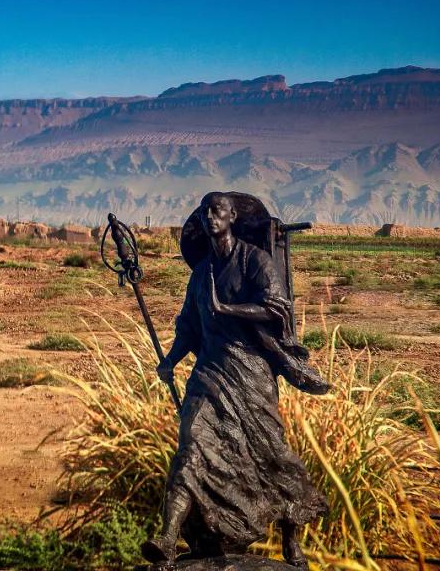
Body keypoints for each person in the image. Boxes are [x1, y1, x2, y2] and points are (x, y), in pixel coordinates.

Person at [141, 192, 329, 569]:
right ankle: (168, 538)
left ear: (231, 218)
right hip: (210, 373)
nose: (210, 217)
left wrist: (226, 308)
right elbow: (189, 328)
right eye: (205, 212)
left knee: (270, 453)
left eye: (217, 211)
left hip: (251, 375)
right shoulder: (200, 274)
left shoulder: (255, 261)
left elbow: (276, 308)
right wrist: (171, 361)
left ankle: (290, 537)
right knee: (192, 446)